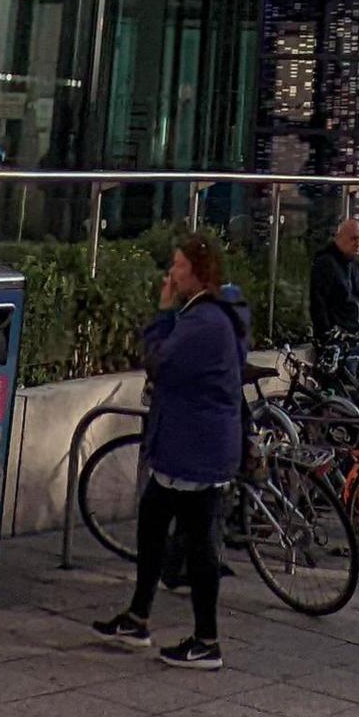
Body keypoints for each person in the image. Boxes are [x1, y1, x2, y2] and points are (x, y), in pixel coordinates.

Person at [96, 236, 246, 669]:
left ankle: (206, 640)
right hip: (193, 443)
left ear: (197, 271)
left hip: (194, 449)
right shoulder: (214, 313)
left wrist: (161, 315)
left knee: (199, 545)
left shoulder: (202, 323)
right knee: (154, 522)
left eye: (179, 265)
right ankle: (139, 616)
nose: (172, 272)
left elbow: (160, 362)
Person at [307, 213, 359, 380]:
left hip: (355, 341)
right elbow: (318, 303)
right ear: (339, 238)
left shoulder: (355, 265)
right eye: (354, 239)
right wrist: (326, 337)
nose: (358, 244)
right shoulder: (326, 263)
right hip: (336, 342)